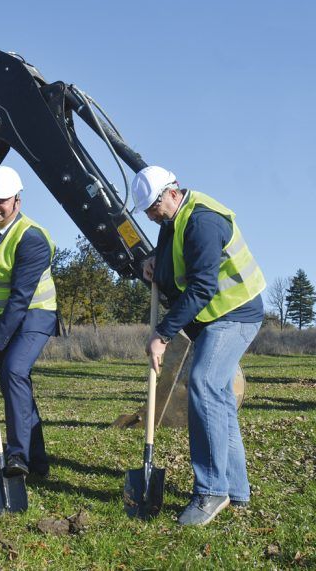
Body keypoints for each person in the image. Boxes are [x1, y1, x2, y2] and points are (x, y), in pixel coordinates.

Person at [133, 165, 265, 526]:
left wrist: (162, 334)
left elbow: (202, 288)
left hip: (235, 314)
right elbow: (170, 263)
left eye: (153, 207)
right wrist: (150, 263)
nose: (151, 215)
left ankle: (211, 491)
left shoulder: (202, 222)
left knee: (203, 384)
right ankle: (236, 490)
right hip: (214, 317)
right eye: (145, 211)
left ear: (171, 192)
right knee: (219, 396)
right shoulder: (172, 220)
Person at [0, 165, 58, 478]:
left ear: (17, 201)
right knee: (15, 385)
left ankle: (17, 459)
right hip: (2, 317)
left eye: (0, 201)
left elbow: (19, 300)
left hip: (35, 314)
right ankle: (39, 462)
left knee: (14, 370)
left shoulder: (32, 239)